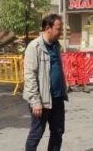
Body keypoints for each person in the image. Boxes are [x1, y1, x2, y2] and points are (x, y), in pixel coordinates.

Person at [24, 13, 68, 151]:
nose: (61, 32)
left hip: (57, 98)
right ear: (48, 28)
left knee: (58, 132)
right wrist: (35, 101)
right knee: (36, 134)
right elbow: (30, 75)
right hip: (42, 100)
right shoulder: (34, 47)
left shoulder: (56, 45)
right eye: (58, 28)